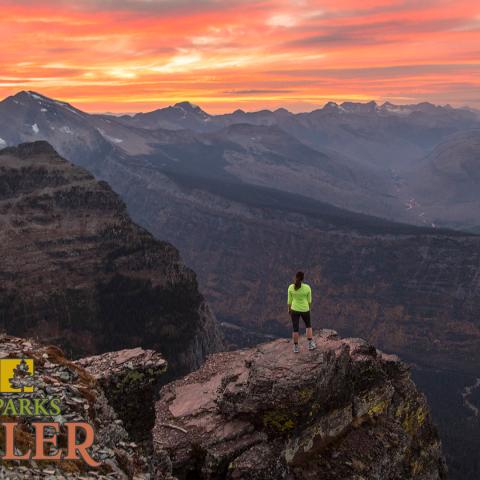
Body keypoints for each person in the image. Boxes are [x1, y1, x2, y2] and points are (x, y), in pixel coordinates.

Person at [288, 271, 316, 353]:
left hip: (294, 309)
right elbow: (309, 300)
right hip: (305, 309)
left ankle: (296, 347)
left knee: (295, 328)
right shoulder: (307, 287)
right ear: (303, 279)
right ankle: (310, 344)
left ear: (295, 277)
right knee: (308, 326)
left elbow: (289, 301)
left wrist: (289, 309)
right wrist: (309, 308)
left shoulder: (290, 287)